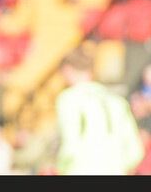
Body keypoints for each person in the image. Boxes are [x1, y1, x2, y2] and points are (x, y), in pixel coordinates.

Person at [54, 44, 145, 175]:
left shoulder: (69, 98)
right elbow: (135, 152)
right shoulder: (117, 101)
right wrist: (116, 166)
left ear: (67, 70)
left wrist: (60, 167)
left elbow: (70, 145)